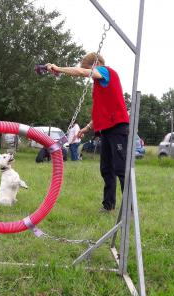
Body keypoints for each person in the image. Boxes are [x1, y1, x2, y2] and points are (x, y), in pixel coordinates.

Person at [46, 53, 130, 212]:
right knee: (106, 169)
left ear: (96, 63)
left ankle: (130, 209)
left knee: (121, 168)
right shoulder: (99, 85)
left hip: (118, 127)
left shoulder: (106, 71)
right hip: (106, 129)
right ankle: (108, 206)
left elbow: (81, 72)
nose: (89, 76)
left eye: (87, 69)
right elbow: (102, 109)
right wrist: (87, 127)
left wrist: (58, 69)